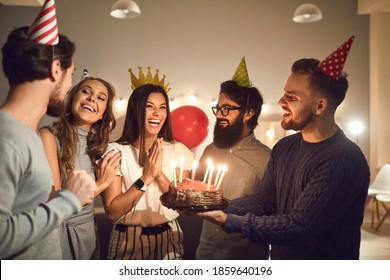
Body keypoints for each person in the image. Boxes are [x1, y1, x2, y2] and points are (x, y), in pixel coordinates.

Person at [196, 37, 370, 260]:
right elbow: (265, 201)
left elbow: (299, 226)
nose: (280, 101)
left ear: (320, 106)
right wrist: (217, 204)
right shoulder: (285, 147)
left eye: (292, 97)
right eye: (284, 92)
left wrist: (227, 220)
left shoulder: (343, 159)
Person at [0, 24, 96, 259]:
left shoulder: (27, 135)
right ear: (56, 69)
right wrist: (70, 200)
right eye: (71, 74)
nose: (70, 86)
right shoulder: (6, 137)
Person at [101, 78, 195, 260]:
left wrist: (158, 174)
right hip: (127, 239)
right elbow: (113, 212)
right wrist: (146, 178)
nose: (157, 113)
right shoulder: (116, 151)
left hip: (170, 236)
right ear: (136, 110)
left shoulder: (177, 150)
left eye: (162, 107)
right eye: (149, 106)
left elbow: (182, 206)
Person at [39, 75, 121, 259]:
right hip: (60, 234)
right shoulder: (49, 136)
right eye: (86, 91)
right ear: (73, 98)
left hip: (88, 234)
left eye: (101, 97)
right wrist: (101, 183)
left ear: (102, 114)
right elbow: (54, 201)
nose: (92, 98)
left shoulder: (98, 146)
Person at [195, 78, 271, 260]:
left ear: (248, 113)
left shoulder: (267, 158)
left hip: (243, 257)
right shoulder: (210, 150)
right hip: (205, 253)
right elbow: (196, 192)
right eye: (218, 108)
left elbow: (270, 210)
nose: (219, 115)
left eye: (226, 109)